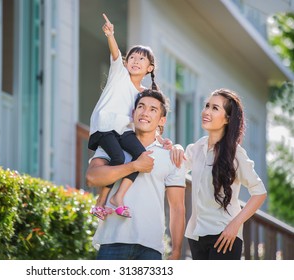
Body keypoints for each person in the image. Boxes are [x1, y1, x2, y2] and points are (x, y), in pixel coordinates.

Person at [86, 89, 186, 260]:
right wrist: (134, 166)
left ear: (162, 120)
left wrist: (176, 250)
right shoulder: (112, 146)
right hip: (112, 241)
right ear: (133, 113)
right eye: (141, 106)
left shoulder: (171, 156)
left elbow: (177, 208)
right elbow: (92, 178)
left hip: (151, 248)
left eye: (153, 109)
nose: (145, 113)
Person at [173, 88, 267, 260]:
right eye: (206, 105)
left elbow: (259, 192)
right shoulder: (197, 148)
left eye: (215, 108)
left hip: (224, 237)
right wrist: (176, 147)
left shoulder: (236, 154)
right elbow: (175, 167)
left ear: (227, 118)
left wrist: (235, 225)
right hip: (196, 236)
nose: (206, 112)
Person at [88, 13, 165, 219]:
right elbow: (115, 53)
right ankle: (100, 201)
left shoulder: (143, 94)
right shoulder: (119, 74)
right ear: (126, 61)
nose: (136, 61)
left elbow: (144, 117)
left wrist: (160, 139)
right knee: (119, 158)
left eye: (142, 59)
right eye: (132, 57)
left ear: (149, 68)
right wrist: (111, 35)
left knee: (142, 157)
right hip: (105, 126)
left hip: (123, 129)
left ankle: (118, 197)